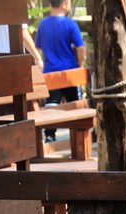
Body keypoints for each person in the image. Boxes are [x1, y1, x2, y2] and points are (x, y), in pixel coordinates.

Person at [35, 0, 86, 141]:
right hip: (69, 73)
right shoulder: (70, 24)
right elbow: (81, 48)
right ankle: (79, 136)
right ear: (64, 4)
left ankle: (50, 135)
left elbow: (37, 47)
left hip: (50, 72)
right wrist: (80, 64)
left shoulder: (42, 25)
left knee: (51, 104)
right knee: (75, 104)